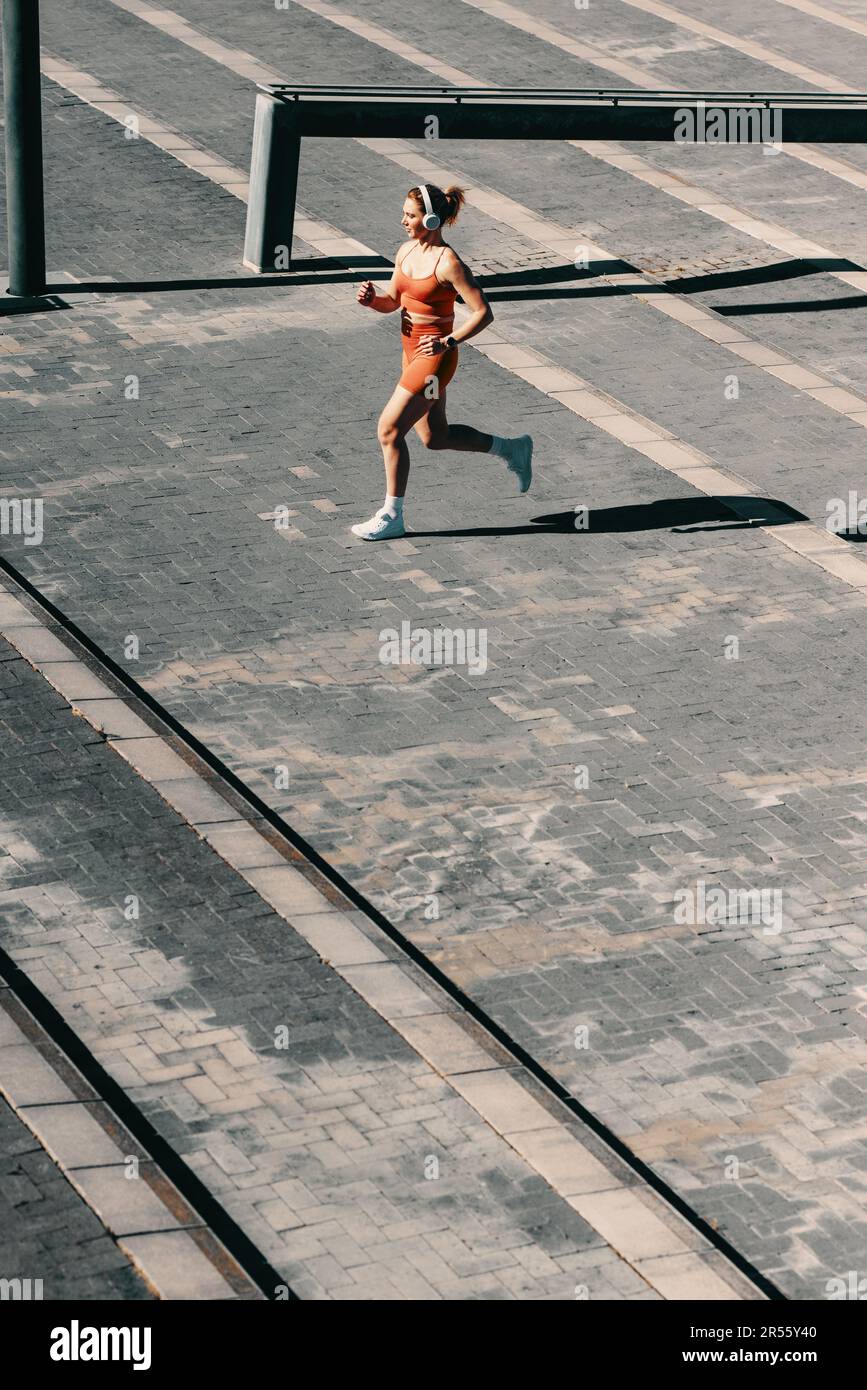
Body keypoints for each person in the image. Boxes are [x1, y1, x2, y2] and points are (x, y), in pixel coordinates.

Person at [351, 183, 533, 540]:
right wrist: (373, 300)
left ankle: (392, 515)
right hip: (410, 353)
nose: (403, 220)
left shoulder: (449, 263)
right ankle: (512, 448)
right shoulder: (406, 252)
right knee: (436, 437)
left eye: (410, 215)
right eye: (404, 213)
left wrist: (447, 341)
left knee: (389, 430)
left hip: (435, 363)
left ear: (431, 219)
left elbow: (483, 313)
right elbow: (394, 302)